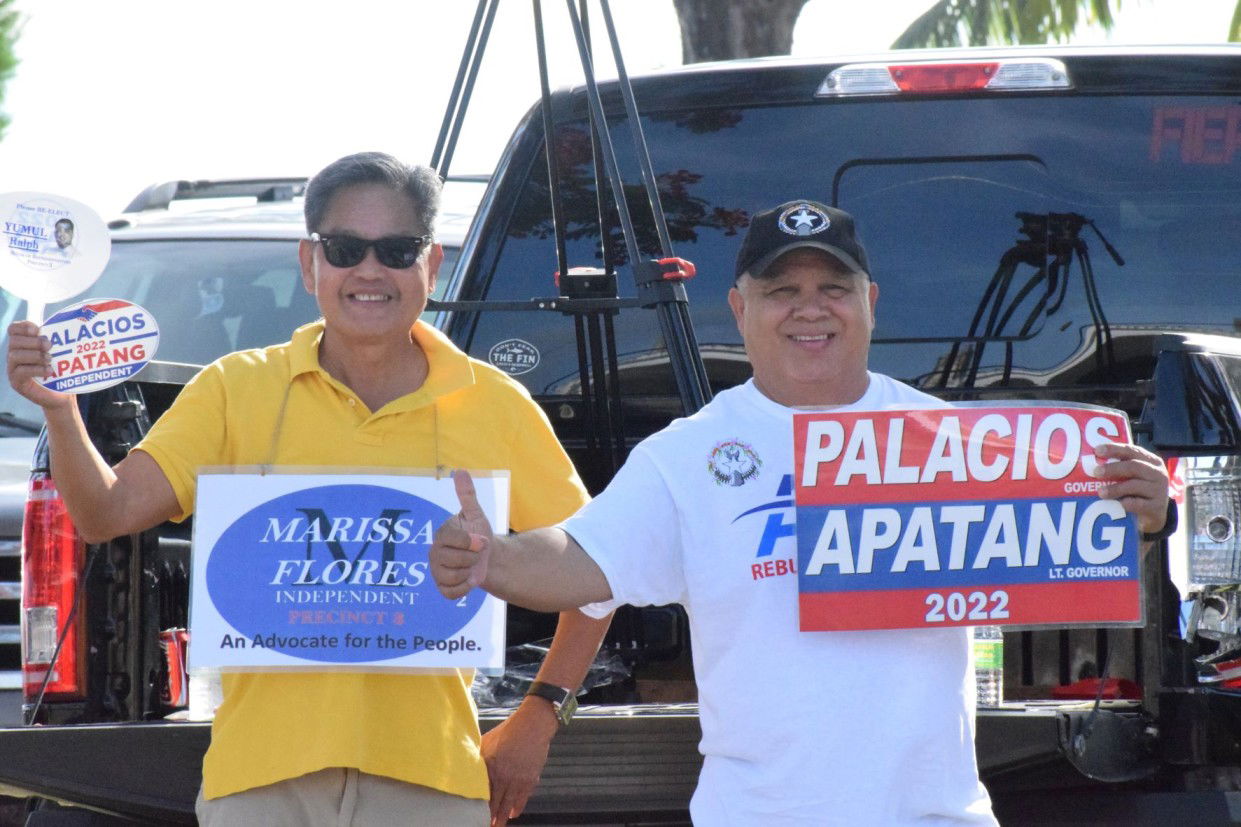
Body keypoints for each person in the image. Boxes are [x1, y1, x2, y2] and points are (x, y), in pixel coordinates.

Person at [431, 199, 1173, 825]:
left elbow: (1072, 566)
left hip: (936, 814)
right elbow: (581, 562)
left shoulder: (953, 442)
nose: (809, 307)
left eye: (833, 286)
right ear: (739, 307)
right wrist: (494, 556)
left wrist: (1140, 519)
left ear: (869, 302)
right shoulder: (686, 454)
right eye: (781, 289)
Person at [6, 152, 610, 826]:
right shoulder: (236, 388)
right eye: (345, 248)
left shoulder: (492, 402)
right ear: (309, 262)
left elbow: (597, 569)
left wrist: (540, 713)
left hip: (431, 777)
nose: (370, 270)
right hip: (259, 780)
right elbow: (104, 513)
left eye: (398, 249)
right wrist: (59, 410)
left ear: (431, 265)